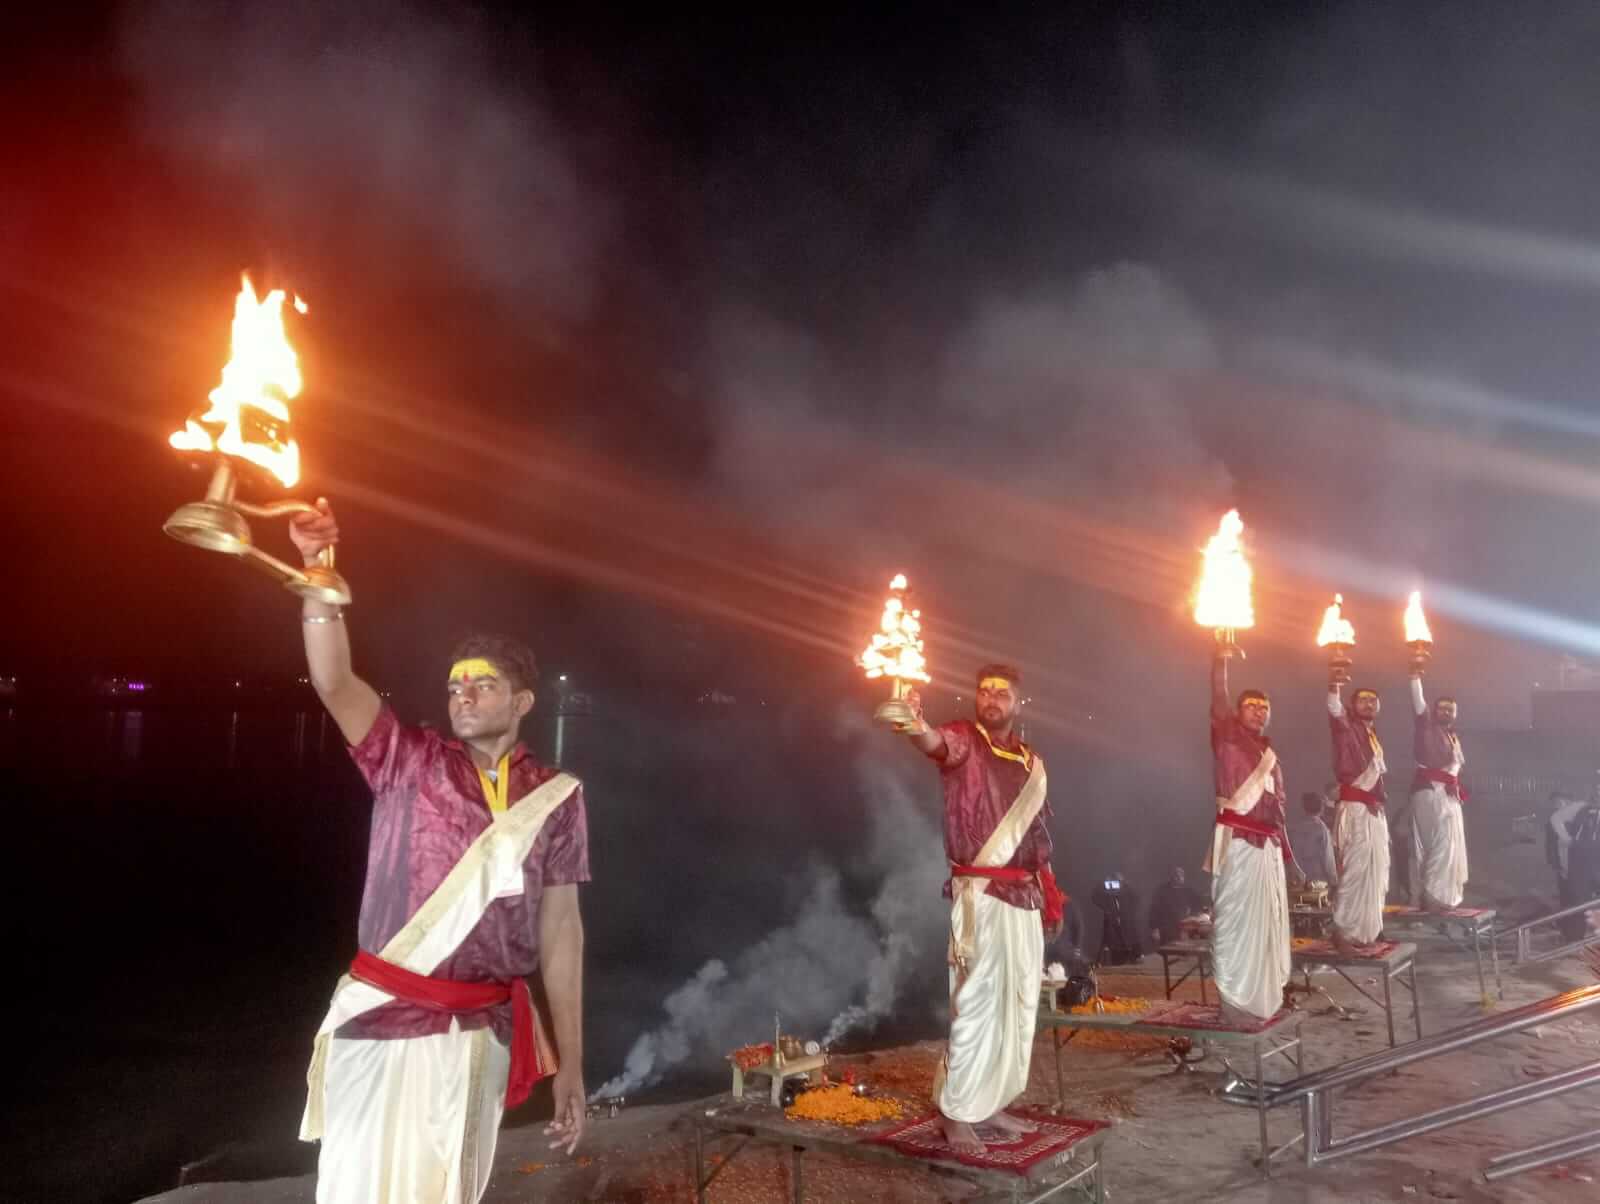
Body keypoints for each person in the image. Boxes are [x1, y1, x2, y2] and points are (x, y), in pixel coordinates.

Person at [288, 500, 590, 1204]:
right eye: (455, 685)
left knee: (450, 1193)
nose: (464, 695)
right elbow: (334, 682)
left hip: (479, 1033)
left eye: (483, 684)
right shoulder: (407, 758)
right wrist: (317, 573)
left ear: (523, 702)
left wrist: (572, 1063)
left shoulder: (558, 795)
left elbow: (562, 932)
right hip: (382, 1020)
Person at [878, 664, 1064, 1154]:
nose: (992, 699)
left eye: (1001, 693)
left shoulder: (1031, 762)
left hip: (1025, 897)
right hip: (982, 895)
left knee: (1019, 1004)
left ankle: (991, 1102)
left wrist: (1050, 894)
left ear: (1017, 703)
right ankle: (956, 1112)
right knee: (977, 1003)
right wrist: (914, 721)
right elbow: (933, 742)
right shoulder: (965, 740)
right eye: (984, 691)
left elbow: (1037, 835)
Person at [1206, 647, 1292, 1023]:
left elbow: (1278, 806)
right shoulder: (1228, 738)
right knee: (1234, 921)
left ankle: (1261, 1000)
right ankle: (1232, 1002)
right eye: (1251, 706)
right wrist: (1221, 659)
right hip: (1239, 841)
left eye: (1264, 707)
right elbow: (1218, 698)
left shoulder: (1268, 753)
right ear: (1237, 712)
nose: (1258, 711)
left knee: (1267, 922)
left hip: (1267, 846)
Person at [1328, 682, 1391, 952]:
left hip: (1373, 811)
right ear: (1352, 706)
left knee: (1376, 872)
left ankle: (1366, 930)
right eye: (1363, 699)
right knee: (1354, 871)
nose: (1369, 704)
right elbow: (1335, 711)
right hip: (1355, 810)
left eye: (1373, 700)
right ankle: (1342, 931)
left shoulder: (1372, 735)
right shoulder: (1348, 728)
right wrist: (1334, 685)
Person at [1409, 671, 1468, 910]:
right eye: (1441, 708)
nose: (1446, 712)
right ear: (1434, 711)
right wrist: (1415, 677)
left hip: (1448, 794)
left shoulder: (1452, 736)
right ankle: (1431, 895)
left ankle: (1444, 897)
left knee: (1451, 843)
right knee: (1438, 842)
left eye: (1450, 709)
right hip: (1430, 792)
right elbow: (1419, 706)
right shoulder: (1428, 727)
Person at [1551, 783, 1600, 943]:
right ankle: (1575, 941)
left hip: (1594, 864)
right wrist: (1567, 839)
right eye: (1597, 790)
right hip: (1581, 867)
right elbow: (1555, 818)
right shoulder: (1581, 808)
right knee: (1579, 905)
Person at [1286, 793, 1338, 892]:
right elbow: (1328, 858)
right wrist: (1333, 880)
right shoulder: (1322, 829)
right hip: (1318, 880)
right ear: (1321, 808)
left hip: (1299, 879)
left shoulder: (1296, 828)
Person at [1091, 872, 1143, 965]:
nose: (1114, 886)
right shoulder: (1106, 896)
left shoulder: (1126, 894)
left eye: (1117, 883)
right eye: (1111, 883)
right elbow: (1094, 897)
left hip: (1127, 927)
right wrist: (1102, 883)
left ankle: (1135, 959)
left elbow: (1137, 897)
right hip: (1112, 928)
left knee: (1132, 950)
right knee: (1116, 953)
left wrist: (1125, 882)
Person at [1148, 866, 1205, 947]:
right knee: (1168, 949)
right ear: (1171, 876)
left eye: (1181, 875)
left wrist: (1193, 915)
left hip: (1185, 928)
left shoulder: (1189, 890)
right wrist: (1155, 929)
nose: (1179, 877)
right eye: (1176, 875)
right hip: (1167, 928)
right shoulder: (1162, 891)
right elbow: (1154, 911)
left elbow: (1199, 905)